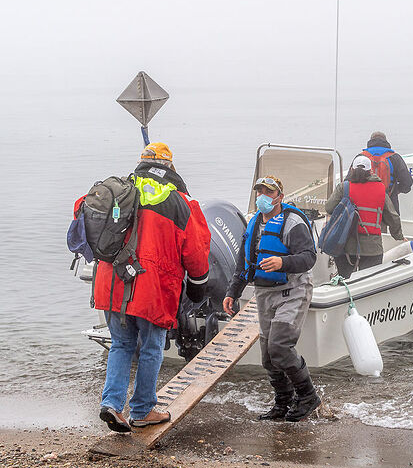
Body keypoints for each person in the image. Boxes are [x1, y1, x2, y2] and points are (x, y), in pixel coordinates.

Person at [82, 142, 211, 432]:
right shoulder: (180, 202)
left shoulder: (121, 189)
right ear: (170, 167)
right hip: (152, 288)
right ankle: (142, 410)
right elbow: (196, 250)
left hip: (112, 283)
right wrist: (198, 286)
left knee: (121, 344)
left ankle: (112, 405)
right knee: (152, 348)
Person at [222, 176, 320, 422]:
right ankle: (283, 402)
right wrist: (232, 292)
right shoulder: (254, 223)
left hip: (293, 289)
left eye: (268, 191)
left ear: (279, 197)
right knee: (267, 355)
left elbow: (309, 257)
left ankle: (308, 396)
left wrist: (283, 261)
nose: (262, 196)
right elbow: (243, 264)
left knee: (280, 347)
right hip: (264, 293)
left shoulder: (293, 221)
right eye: (260, 191)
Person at [325, 155, 405, 279]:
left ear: (352, 169)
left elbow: (329, 208)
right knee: (368, 282)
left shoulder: (344, 187)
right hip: (372, 248)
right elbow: (393, 217)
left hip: (344, 246)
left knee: (345, 281)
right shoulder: (380, 189)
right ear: (370, 171)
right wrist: (398, 236)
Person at [361, 131, 413, 214]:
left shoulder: (361, 156)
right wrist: (396, 190)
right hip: (390, 200)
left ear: (370, 141)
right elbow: (407, 182)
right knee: (393, 225)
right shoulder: (395, 157)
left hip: (365, 203)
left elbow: (350, 180)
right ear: (385, 141)